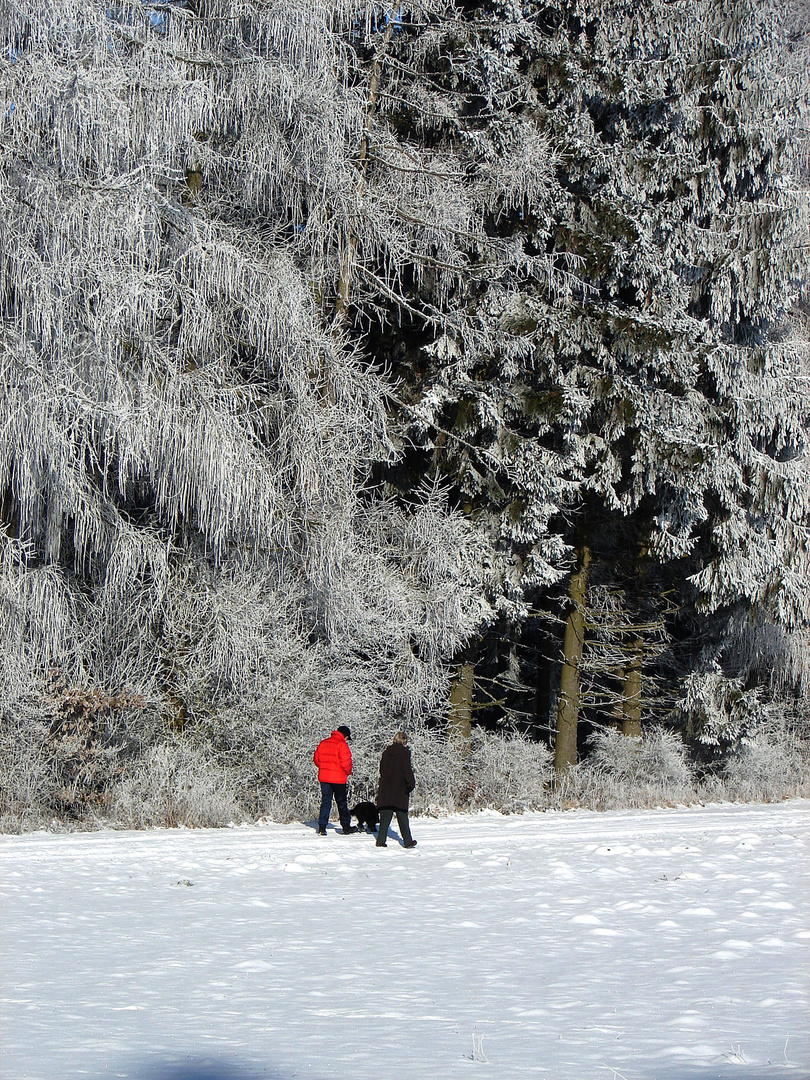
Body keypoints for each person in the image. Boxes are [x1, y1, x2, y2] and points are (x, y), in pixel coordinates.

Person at [375, 730, 417, 848]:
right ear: (404, 741)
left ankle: (380, 840)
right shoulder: (405, 753)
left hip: (386, 788)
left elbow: (381, 770)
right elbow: (406, 770)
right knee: (402, 816)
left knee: (385, 817)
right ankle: (408, 841)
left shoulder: (386, 753)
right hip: (400, 789)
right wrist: (410, 784)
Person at [313, 725, 357, 835]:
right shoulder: (342, 745)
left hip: (324, 778)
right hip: (338, 778)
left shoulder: (323, 743)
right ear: (345, 736)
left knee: (326, 802)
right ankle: (346, 826)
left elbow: (317, 760)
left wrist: (324, 768)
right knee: (341, 802)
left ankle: (322, 827)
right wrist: (348, 772)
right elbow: (346, 763)